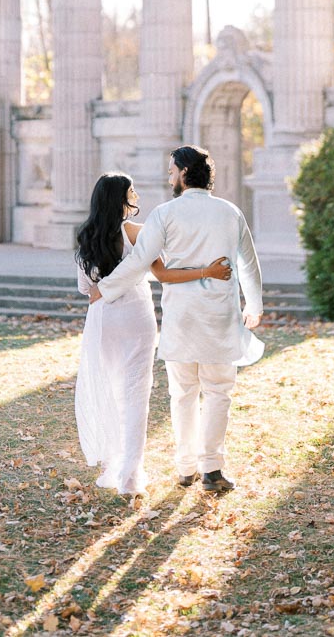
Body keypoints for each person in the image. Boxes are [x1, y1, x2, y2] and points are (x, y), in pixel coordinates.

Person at [89, 145, 263, 494]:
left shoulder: (165, 214)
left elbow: (139, 261)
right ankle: (211, 468)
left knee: (183, 393)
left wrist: (103, 288)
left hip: (181, 319)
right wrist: (254, 305)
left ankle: (186, 468)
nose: (169, 178)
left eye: (171, 172)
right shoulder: (231, 212)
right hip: (219, 318)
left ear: (184, 173)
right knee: (218, 392)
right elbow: (248, 263)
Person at [74, 172, 232, 498]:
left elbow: (86, 290)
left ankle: (114, 466)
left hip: (102, 322)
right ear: (121, 199)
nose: (137, 196)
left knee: (113, 392)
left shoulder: (86, 236)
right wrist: (208, 271)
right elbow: (164, 274)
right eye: (132, 191)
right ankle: (130, 479)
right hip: (135, 319)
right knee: (135, 397)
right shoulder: (140, 232)